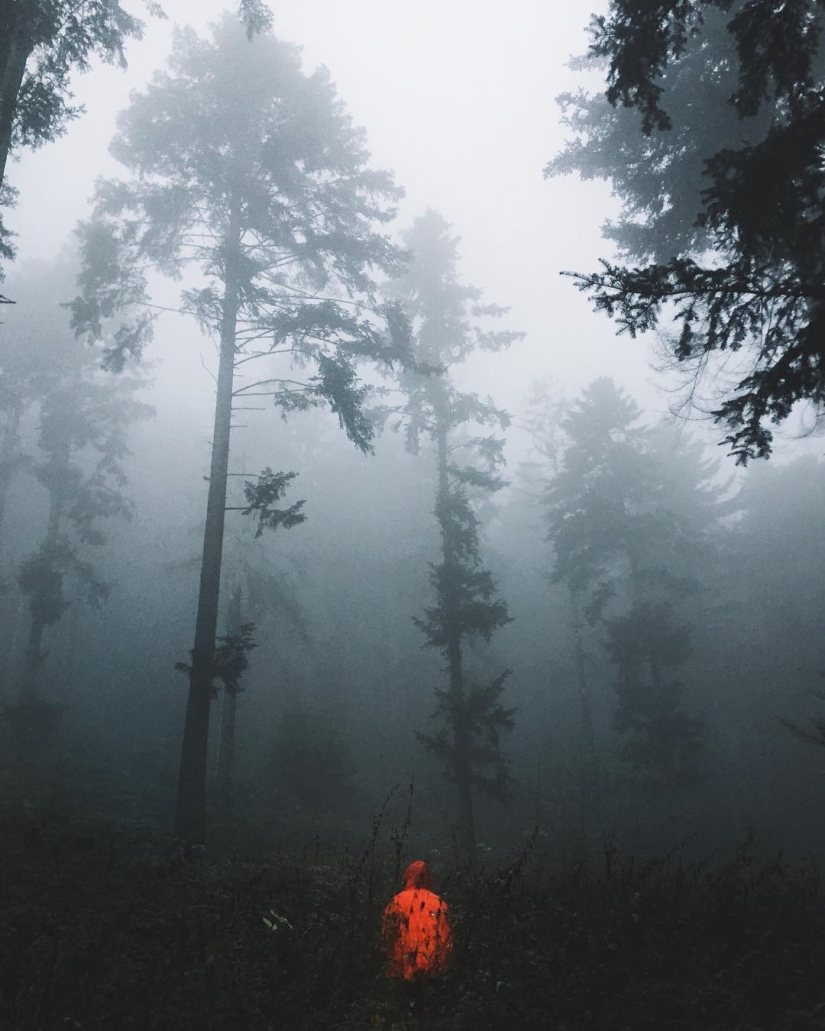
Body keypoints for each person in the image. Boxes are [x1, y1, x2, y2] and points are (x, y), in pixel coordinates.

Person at [382, 860, 453, 981]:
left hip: (402, 972)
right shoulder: (439, 903)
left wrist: (392, 968)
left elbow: (387, 936)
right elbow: (446, 940)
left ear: (407, 877)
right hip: (433, 972)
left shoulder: (397, 901)